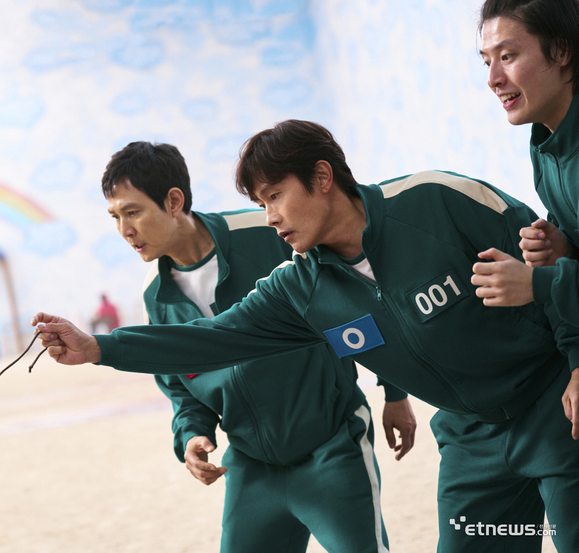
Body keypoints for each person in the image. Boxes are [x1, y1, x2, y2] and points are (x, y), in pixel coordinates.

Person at [33, 121, 579, 553]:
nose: (271, 217)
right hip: (469, 440)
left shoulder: (435, 199)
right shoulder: (299, 287)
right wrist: (100, 349)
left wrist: (578, 362)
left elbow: (554, 266)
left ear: (322, 177)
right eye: (260, 204)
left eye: (275, 196)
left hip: (553, 411)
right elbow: (214, 339)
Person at [97, 140, 415, 552]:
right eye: (115, 217)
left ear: (174, 201)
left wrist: (395, 393)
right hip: (251, 464)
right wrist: (192, 434)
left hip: (332, 443)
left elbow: (356, 300)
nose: (125, 230)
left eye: (133, 212)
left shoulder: (270, 234)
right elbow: (182, 387)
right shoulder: (154, 296)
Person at [472, 0, 579, 333]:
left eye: (507, 57)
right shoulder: (545, 145)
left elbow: (549, 284)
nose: (493, 79)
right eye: (487, 61)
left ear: (561, 50)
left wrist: (538, 284)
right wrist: (566, 250)